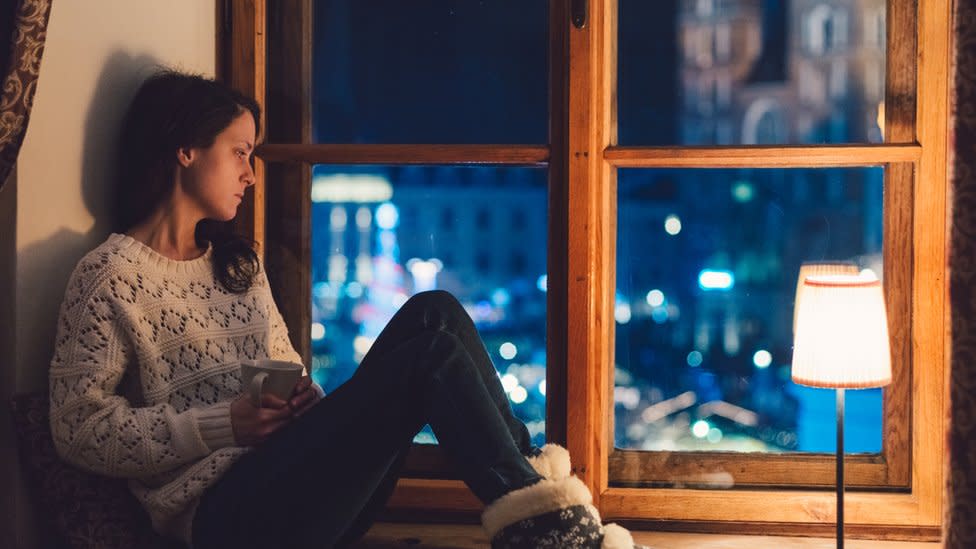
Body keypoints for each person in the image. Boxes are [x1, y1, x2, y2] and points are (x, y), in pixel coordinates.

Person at [48, 70, 644, 549]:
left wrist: (302, 400)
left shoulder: (235, 266)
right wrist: (223, 424)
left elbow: (283, 375)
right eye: (239, 152)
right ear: (184, 149)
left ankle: (542, 498)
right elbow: (77, 430)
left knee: (434, 311)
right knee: (429, 358)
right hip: (227, 519)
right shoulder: (110, 275)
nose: (251, 175)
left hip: (302, 493)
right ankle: (552, 536)